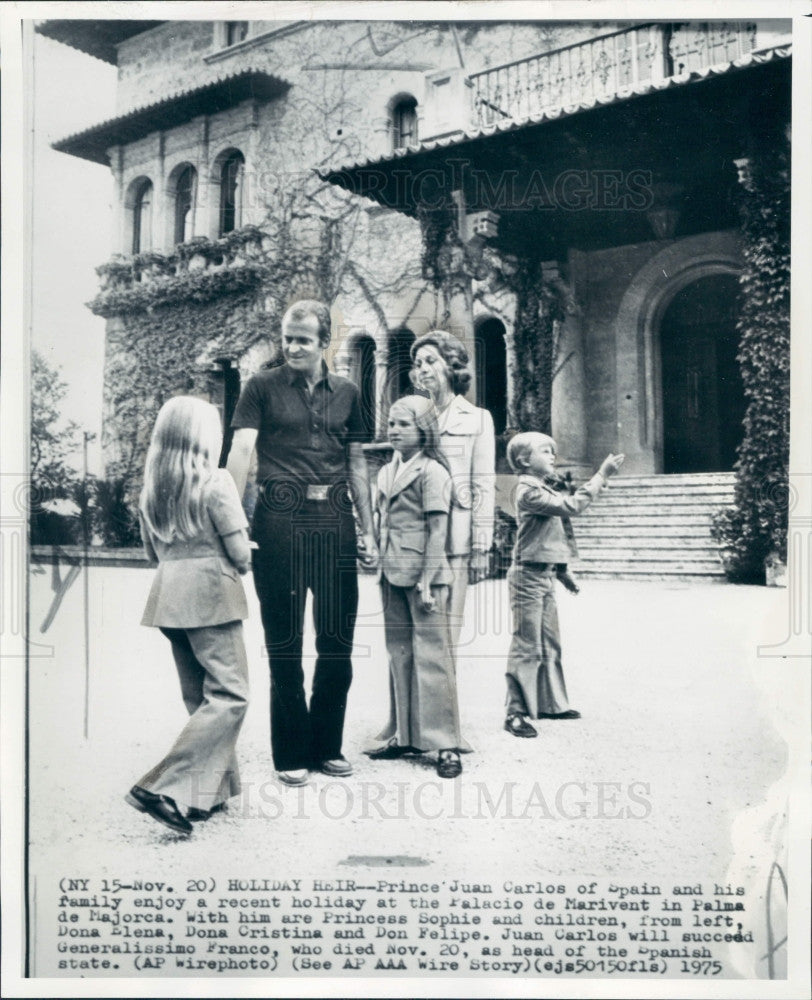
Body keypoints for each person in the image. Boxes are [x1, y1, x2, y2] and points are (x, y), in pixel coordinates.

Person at [227, 300, 378, 787]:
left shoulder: (351, 393)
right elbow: (241, 451)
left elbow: (357, 464)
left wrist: (367, 530)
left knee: (337, 644)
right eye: (287, 337)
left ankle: (327, 746)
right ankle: (290, 752)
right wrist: (228, 519)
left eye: (303, 339)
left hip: (334, 521)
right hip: (279, 522)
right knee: (285, 643)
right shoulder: (260, 387)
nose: (292, 346)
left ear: (324, 342)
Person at [127, 396, 251, 835]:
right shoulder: (216, 482)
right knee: (231, 695)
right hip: (212, 595)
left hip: (169, 597)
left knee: (199, 696)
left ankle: (207, 794)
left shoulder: (152, 487)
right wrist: (243, 555)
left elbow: (149, 553)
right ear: (203, 438)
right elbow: (239, 554)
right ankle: (164, 786)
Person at [366, 396, 467, 779]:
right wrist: (372, 546)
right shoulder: (388, 470)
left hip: (425, 576)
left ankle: (445, 744)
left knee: (432, 656)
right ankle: (405, 734)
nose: (393, 431)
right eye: (390, 424)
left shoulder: (432, 471)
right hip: (392, 571)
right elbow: (382, 521)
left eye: (403, 425)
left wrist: (427, 579)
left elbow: (438, 529)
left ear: (423, 429)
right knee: (400, 653)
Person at [503, 432, 624, 738]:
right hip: (527, 577)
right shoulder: (527, 491)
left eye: (554, 452)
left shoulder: (541, 487)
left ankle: (550, 704)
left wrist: (561, 570)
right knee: (526, 644)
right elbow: (571, 507)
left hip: (542, 575)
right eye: (546, 451)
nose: (554, 456)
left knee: (549, 642)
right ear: (524, 461)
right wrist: (601, 475)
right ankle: (515, 712)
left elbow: (548, 536)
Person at [410, 330, 495, 652]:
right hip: (415, 537)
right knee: (418, 630)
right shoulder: (413, 418)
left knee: (447, 632)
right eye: (418, 364)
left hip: (455, 539)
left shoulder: (478, 419)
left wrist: (481, 546)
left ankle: (443, 699)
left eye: (431, 360)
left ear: (452, 365)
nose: (423, 369)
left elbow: (483, 484)